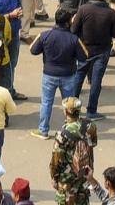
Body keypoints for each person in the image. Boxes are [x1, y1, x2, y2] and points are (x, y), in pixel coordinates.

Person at [30, 9, 89, 139]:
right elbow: (85, 56)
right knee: (69, 105)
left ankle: (43, 130)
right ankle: (70, 131)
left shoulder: (45, 35)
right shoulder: (74, 39)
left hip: (49, 74)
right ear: (69, 22)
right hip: (68, 75)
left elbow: (33, 50)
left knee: (46, 103)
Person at [50, 98, 97, 205]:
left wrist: (54, 177)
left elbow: (56, 160)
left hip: (67, 180)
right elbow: (93, 144)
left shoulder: (62, 134)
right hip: (84, 174)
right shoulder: (90, 125)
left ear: (66, 111)